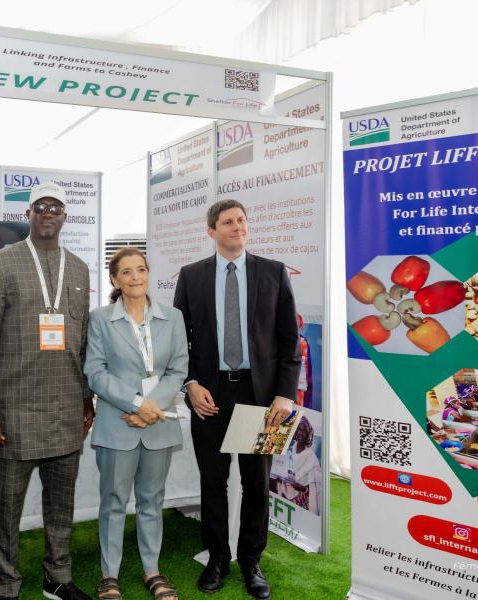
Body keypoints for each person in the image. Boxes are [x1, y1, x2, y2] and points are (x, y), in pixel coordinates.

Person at [173, 199, 300, 599]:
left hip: (258, 397)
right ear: (211, 231)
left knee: (256, 484)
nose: (238, 226)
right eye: (228, 222)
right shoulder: (191, 276)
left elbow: (289, 340)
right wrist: (190, 383)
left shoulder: (273, 272)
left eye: (242, 220)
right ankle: (216, 558)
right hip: (208, 395)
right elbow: (178, 340)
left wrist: (284, 394)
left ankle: (251, 561)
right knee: (213, 482)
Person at [0, 181, 94, 600]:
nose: (47, 213)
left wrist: (86, 396)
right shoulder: (2, 263)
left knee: (62, 502)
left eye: (55, 207)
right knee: (7, 505)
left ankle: (57, 577)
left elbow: (83, 340)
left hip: (66, 405)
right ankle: (7, 584)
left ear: (65, 217)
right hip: (15, 408)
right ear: (27, 214)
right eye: (40, 206)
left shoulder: (78, 268)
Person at [83, 248, 188, 600]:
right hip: (118, 422)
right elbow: (95, 372)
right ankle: (109, 575)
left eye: (140, 269)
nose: (135, 277)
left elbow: (178, 369)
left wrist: (150, 408)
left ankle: (152, 571)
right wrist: (136, 404)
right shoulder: (100, 319)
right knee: (113, 500)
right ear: (114, 279)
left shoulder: (172, 317)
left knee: (151, 500)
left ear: (148, 273)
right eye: (126, 272)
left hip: (157, 423)